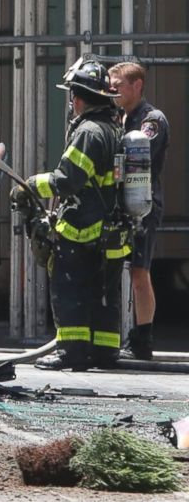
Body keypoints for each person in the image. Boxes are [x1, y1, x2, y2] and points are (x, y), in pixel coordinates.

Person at [11, 59, 125, 371]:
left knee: (70, 289)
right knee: (103, 294)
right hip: (114, 233)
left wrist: (29, 185)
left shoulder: (88, 132)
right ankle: (104, 352)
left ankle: (71, 353)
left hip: (83, 231)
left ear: (76, 97)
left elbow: (67, 179)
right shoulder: (114, 128)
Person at [109, 61, 169, 360]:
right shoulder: (117, 117)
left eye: (118, 86)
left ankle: (142, 339)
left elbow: (139, 151)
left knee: (139, 272)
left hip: (142, 205)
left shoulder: (151, 120)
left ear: (137, 86)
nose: (113, 91)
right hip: (119, 205)